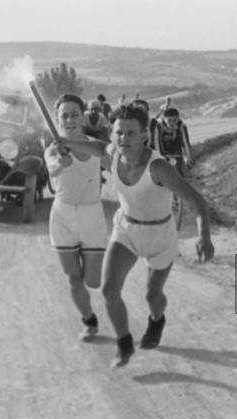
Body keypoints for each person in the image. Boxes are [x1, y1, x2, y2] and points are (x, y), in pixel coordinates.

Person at [57, 102, 215, 367]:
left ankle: (157, 320)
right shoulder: (111, 154)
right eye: (119, 133)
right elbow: (96, 147)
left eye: (131, 134)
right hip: (127, 230)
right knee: (109, 289)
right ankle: (125, 344)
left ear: (145, 136)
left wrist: (205, 237)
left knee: (153, 295)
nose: (123, 139)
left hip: (160, 235)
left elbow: (197, 201)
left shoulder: (160, 169)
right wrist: (67, 143)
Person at [44, 94, 108, 341]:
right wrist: (61, 162)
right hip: (63, 216)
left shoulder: (96, 146)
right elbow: (51, 168)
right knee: (73, 278)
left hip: (92, 215)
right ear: (58, 119)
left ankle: (87, 293)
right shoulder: (52, 149)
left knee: (92, 281)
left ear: (83, 117)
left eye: (74, 114)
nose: (69, 119)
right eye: (64, 115)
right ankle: (89, 320)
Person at [151, 107, 192, 176]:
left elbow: (185, 143)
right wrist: (160, 158)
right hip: (163, 150)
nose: (172, 123)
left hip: (177, 151)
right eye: (169, 120)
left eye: (175, 120)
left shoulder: (181, 126)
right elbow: (157, 143)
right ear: (164, 119)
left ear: (178, 118)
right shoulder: (158, 126)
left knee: (178, 172)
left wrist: (188, 157)